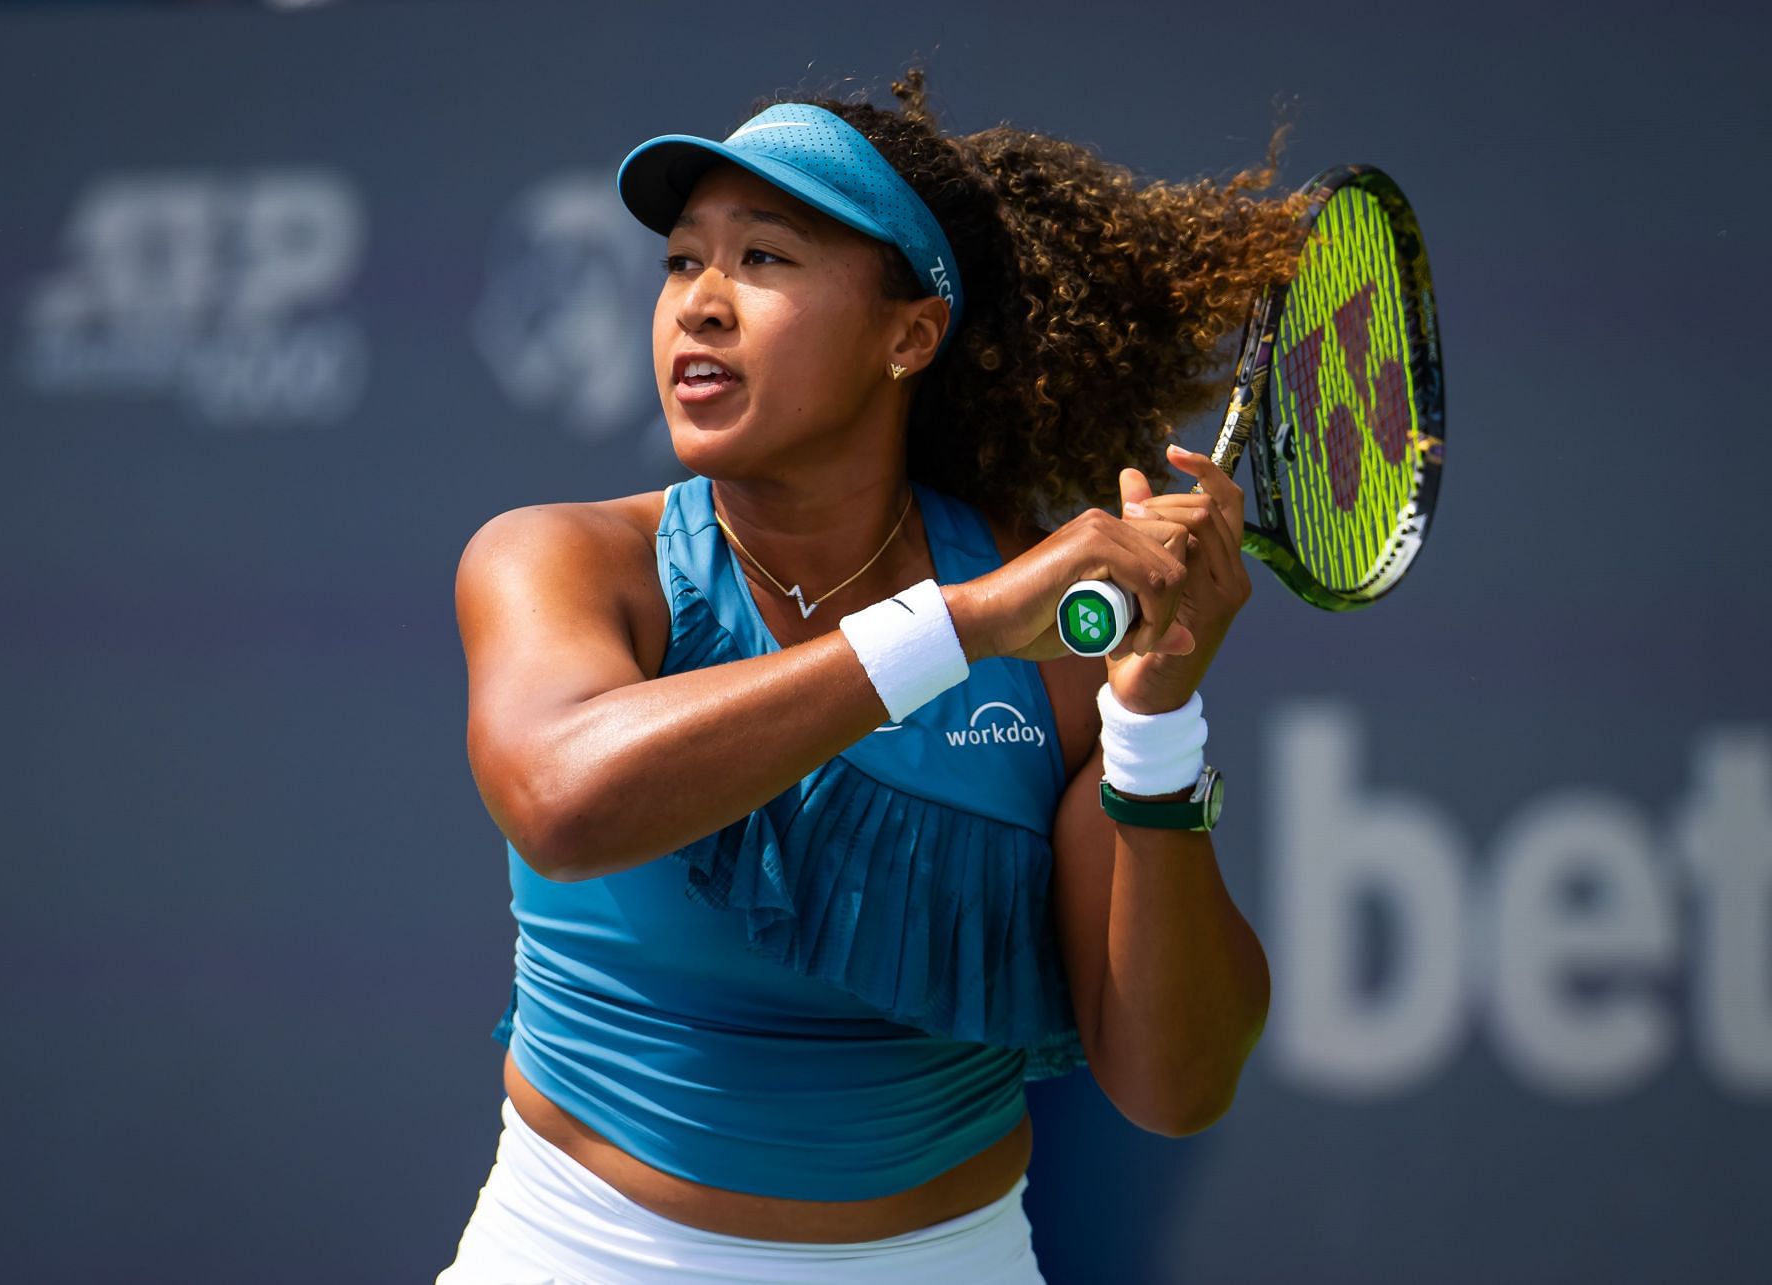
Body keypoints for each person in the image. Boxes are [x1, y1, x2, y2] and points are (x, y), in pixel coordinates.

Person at [439, 70, 1306, 1284]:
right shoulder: (568, 561)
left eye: (765, 260)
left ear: (910, 335)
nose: (700, 303)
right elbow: (564, 799)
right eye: (683, 262)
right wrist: (954, 626)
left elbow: (1175, 1085)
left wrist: (1149, 720)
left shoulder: (1049, 639)